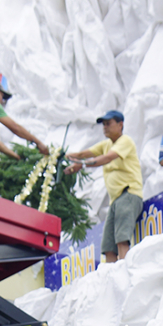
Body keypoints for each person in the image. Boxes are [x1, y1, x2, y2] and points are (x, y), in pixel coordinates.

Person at [64, 110, 143, 262]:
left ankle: (124, 268)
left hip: (128, 194)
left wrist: (83, 164)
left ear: (120, 125)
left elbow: (105, 158)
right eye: (103, 124)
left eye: (108, 124)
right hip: (115, 200)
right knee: (108, 245)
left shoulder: (125, 141)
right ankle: (111, 274)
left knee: (121, 238)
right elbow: (84, 154)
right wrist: (66, 157)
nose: (105, 127)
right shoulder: (106, 144)